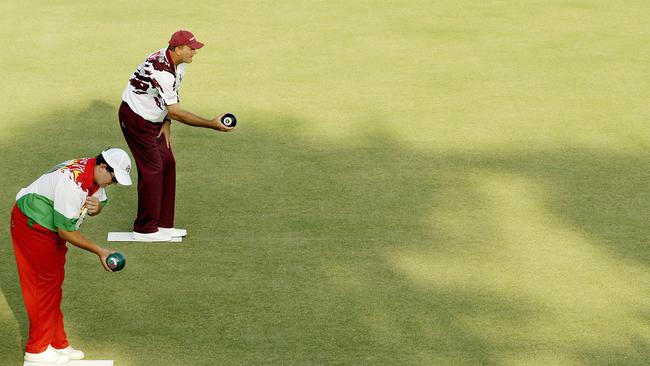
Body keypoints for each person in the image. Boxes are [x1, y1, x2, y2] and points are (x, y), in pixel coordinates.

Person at [11, 148, 132, 363]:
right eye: (113, 180)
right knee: (42, 286)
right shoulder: (73, 184)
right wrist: (101, 251)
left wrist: (99, 208)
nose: (112, 185)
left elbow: (99, 198)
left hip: (49, 225)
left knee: (54, 284)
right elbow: (66, 231)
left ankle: (57, 342)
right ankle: (37, 349)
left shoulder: (92, 170)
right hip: (33, 224)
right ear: (104, 167)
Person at [119, 29, 234, 242]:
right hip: (136, 119)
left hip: (154, 119)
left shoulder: (178, 64)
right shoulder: (162, 70)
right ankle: (144, 229)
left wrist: (166, 121)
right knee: (153, 170)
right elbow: (176, 110)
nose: (195, 52)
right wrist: (212, 124)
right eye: (191, 48)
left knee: (168, 163)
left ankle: (163, 225)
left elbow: (171, 97)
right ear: (178, 48)